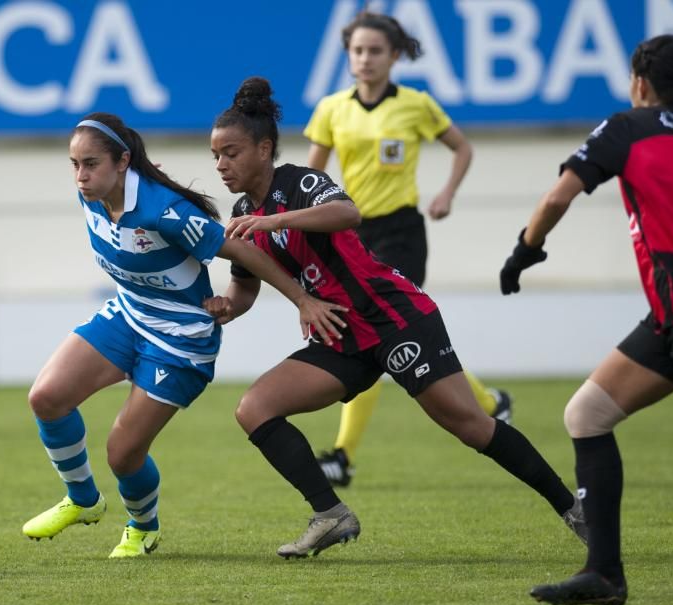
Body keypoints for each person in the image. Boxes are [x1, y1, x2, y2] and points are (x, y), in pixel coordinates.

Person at [206, 76, 586, 559]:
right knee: (253, 409)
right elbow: (243, 290)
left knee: (472, 427)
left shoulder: (297, 183)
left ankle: (571, 508)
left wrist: (275, 220)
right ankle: (330, 514)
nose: (221, 164)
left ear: (264, 149)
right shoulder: (242, 214)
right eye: (215, 155)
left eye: (231, 152)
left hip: (394, 317)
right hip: (341, 334)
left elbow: (347, 213)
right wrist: (221, 310)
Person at [21, 112, 347, 558]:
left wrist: (301, 300)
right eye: (74, 164)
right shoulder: (92, 196)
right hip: (128, 317)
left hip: (180, 342)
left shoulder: (164, 212)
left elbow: (242, 250)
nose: (81, 176)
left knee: (122, 453)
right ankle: (83, 500)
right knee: (46, 397)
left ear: (122, 162)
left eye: (91, 164)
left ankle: (143, 526)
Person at [502, 34, 673, 605]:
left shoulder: (627, 126)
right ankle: (603, 572)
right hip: (666, 317)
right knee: (588, 412)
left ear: (639, 83)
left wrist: (525, 249)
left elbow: (558, 197)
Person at [303, 12, 511, 488]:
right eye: (358, 50)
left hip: (401, 233)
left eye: (375, 50)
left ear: (394, 56)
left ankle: (340, 456)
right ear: (348, 55)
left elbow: (462, 148)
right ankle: (490, 404)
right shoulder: (332, 109)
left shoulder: (416, 105)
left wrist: (446, 194)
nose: (366, 59)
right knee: (383, 336)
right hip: (350, 234)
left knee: (376, 335)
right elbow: (309, 179)